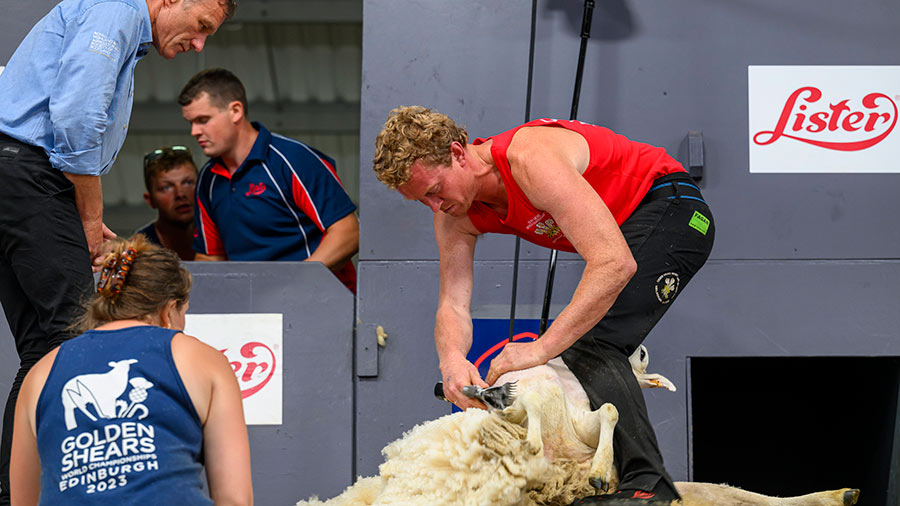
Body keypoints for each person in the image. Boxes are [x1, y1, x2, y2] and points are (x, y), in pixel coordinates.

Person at [373, 106, 715, 502]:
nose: (434, 206)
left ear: (458, 153)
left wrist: (540, 348)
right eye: (421, 201)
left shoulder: (531, 160)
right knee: (579, 343)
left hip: (675, 209)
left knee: (589, 342)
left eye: (434, 191)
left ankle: (649, 486)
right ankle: (623, 477)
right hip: (630, 228)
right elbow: (452, 302)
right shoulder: (455, 215)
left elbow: (614, 263)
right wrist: (451, 358)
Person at [0, 0, 234, 502]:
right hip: (28, 173)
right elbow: (76, 118)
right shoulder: (118, 10)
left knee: (45, 349)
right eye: (200, 26)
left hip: (21, 176)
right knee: (75, 337)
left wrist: (78, 208)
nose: (198, 45)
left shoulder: (117, 20)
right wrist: (85, 215)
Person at [10, 235, 253, 505]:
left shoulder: (41, 373)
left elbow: (22, 500)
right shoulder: (202, 359)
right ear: (169, 310)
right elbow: (235, 499)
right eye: (183, 314)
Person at [179, 68, 360, 293]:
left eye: (203, 120)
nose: (194, 132)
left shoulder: (292, 160)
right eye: (191, 123)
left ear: (235, 111)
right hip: (254, 310)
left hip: (320, 302)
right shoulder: (208, 180)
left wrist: (296, 284)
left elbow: (348, 232)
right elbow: (210, 257)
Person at [136, 145, 199, 260]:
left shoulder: (224, 235)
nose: (180, 194)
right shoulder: (139, 250)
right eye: (166, 187)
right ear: (150, 200)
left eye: (188, 183)